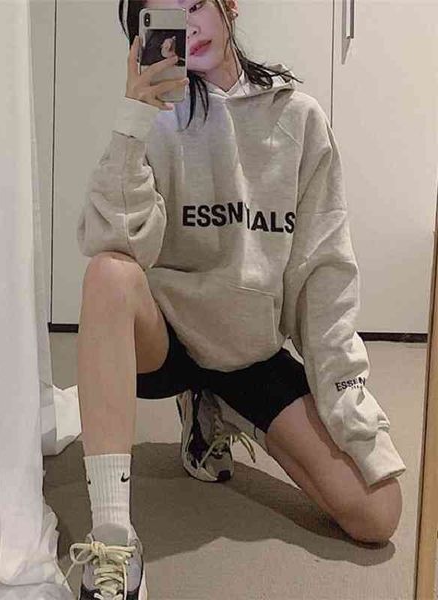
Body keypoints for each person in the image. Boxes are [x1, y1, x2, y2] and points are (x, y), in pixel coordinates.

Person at [63, 0, 407, 597]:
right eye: (166, 13)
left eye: (196, 4)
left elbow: (323, 276)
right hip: (168, 340)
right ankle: (113, 535)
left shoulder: (297, 119)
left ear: (230, 5)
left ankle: (215, 408)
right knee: (108, 276)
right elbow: (115, 242)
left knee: (378, 514)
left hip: (249, 349)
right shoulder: (157, 121)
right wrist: (132, 120)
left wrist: (349, 407)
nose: (189, 25)